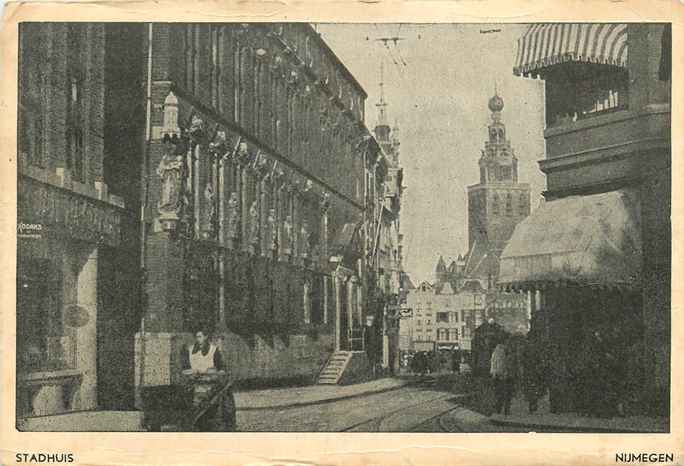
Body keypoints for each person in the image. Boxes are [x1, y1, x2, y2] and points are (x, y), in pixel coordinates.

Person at [180, 330, 234, 431]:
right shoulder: (190, 350)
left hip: (211, 382)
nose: (197, 339)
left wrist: (213, 372)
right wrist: (192, 372)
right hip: (194, 382)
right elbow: (184, 370)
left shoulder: (214, 350)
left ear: (205, 337)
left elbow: (221, 369)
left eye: (200, 336)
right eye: (196, 337)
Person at [490, 341, 514, 415]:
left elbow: (493, 365)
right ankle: (506, 411)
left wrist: (494, 374)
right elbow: (504, 365)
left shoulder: (495, 352)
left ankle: (499, 410)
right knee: (506, 395)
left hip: (498, 376)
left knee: (499, 394)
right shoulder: (503, 351)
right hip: (504, 377)